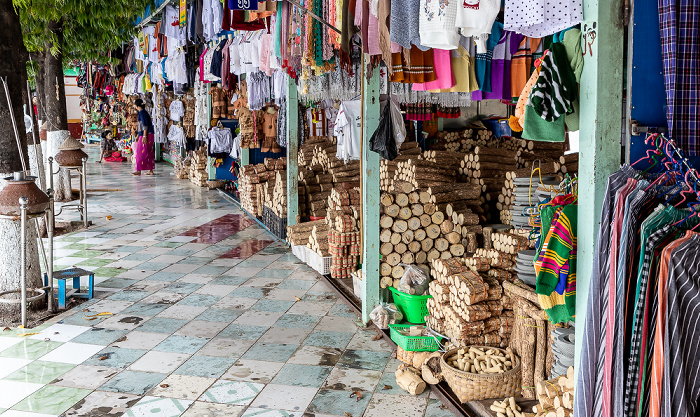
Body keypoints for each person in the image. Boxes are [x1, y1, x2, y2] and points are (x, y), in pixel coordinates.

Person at [132, 98, 155, 175]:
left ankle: (138, 170)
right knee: (148, 152)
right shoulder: (143, 112)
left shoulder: (142, 113)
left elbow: (145, 125)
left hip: (146, 135)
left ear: (136, 106)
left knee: (140, 152)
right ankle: (150, 170)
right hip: (147, 134)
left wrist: (144, 136)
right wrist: (139, 135)